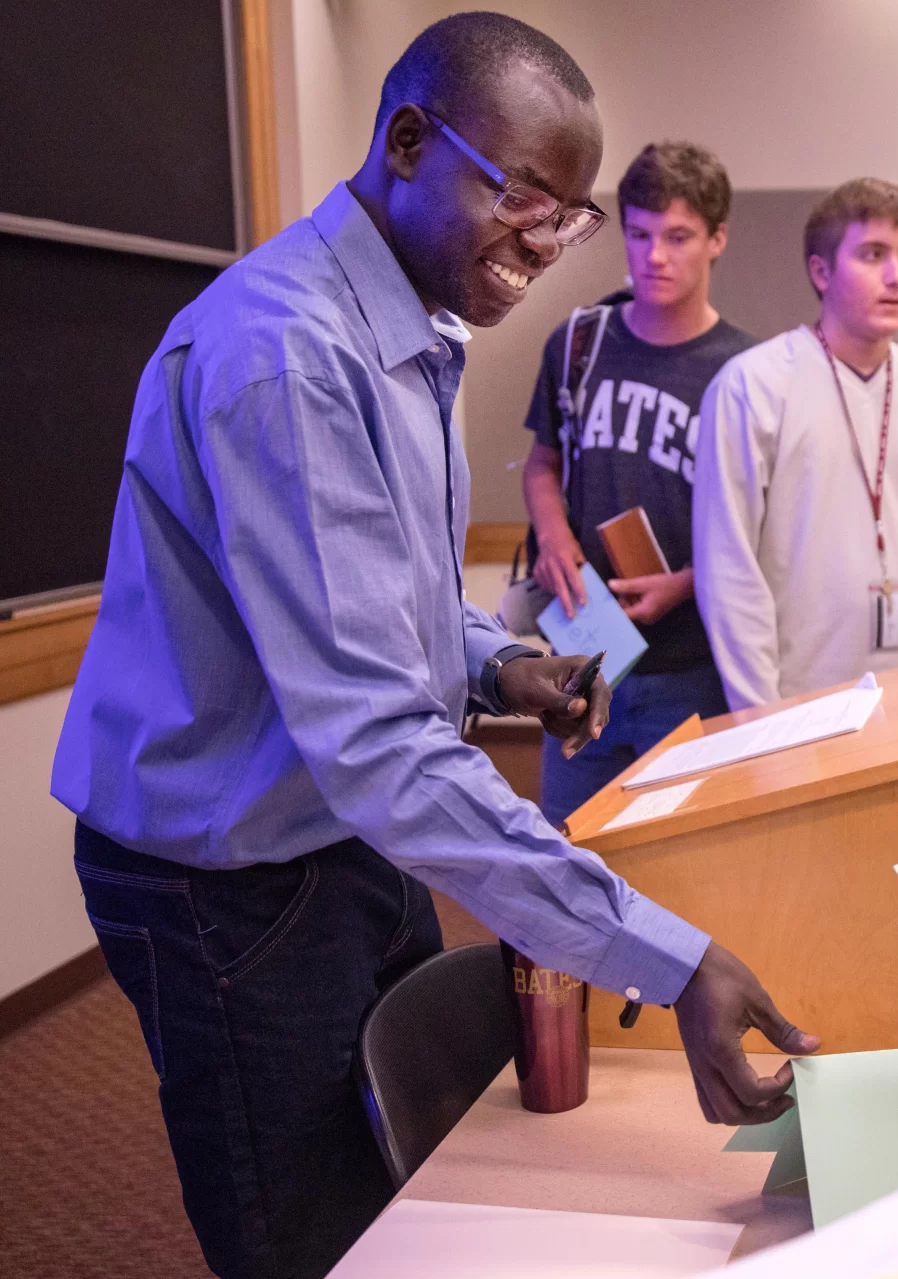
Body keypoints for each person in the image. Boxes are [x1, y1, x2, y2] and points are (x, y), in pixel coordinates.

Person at [52, 17, 814, 1279]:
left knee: (428, 1183)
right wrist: (670, 962)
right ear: (406, 142)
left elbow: (383, 597)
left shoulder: (414, 327)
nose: (541, 247)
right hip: (222, 876)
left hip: (336, 829)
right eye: (523, 198)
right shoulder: (284, 351)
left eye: (566, 218)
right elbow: (376, 741)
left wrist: (489, 660)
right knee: (313, 1236)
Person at [693, 179, 898, 755]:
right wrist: (760, 719)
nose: (896, 276)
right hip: (800, 704)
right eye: (873, 254)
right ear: (822, 271)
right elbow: (729, 568)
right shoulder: (754, 386)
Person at [520, 140, 754, 826]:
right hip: (586, 655)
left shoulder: (746, 370)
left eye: (677, 237)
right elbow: (542, 462)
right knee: (570, 852)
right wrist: (554, 534)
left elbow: (763, 529)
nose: (654, 256)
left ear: (717, 239)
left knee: (679, 869)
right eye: (640, 234)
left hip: (693, 665)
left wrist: (686, 581)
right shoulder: (578, 343)